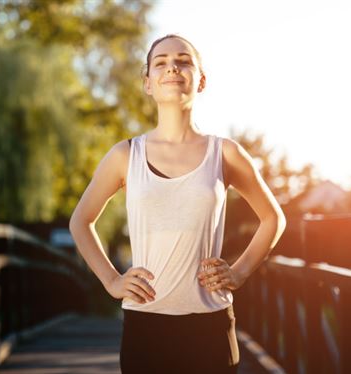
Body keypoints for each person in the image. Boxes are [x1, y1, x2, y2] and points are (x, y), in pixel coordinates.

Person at [68, 34, 286, 373]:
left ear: (200, 80)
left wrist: (240, 271)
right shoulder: (125, 155)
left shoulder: (225, 153)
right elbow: (80, 221)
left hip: (210, 324)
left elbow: (273, 219)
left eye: (183, 60)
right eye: (161, 62)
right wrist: (112, 281)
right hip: (145, 325)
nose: (172, 67)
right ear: (148, 83)